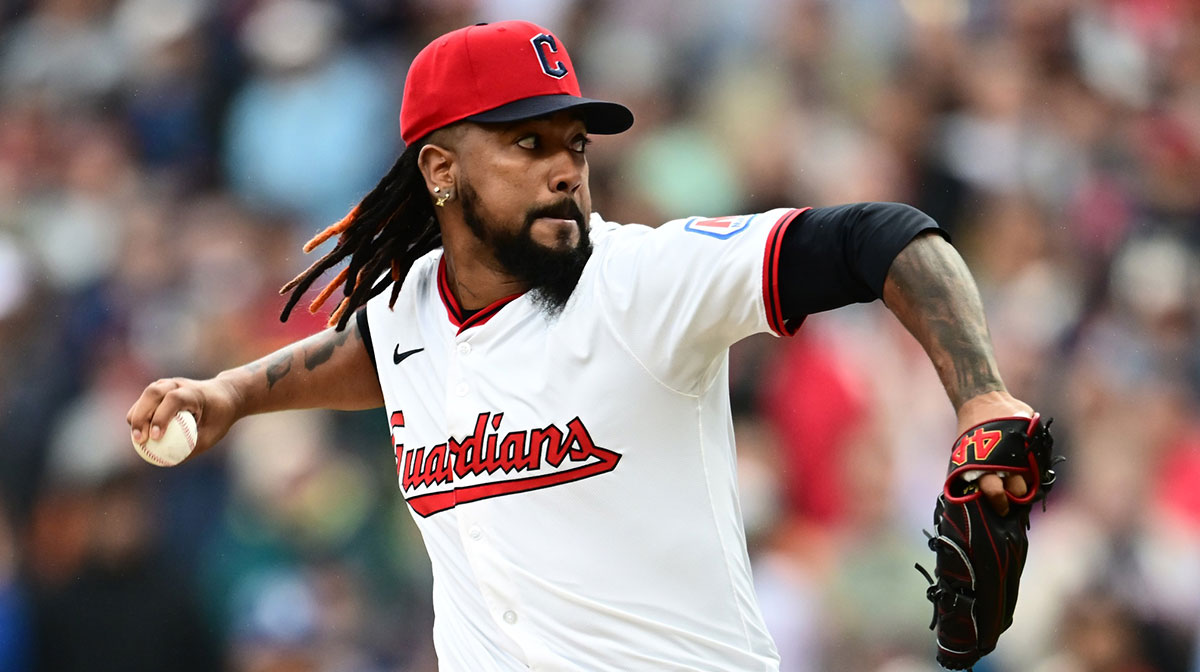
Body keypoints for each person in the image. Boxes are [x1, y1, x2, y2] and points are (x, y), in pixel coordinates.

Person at [128, 20, 1037, 671]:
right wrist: (232, 395)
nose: (566, 166)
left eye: (574, 142)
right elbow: (367, 351)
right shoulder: (408, 310)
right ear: (440, 168)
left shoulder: (644, 280)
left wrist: (981, 391)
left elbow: (882, 236)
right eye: (526, 143)